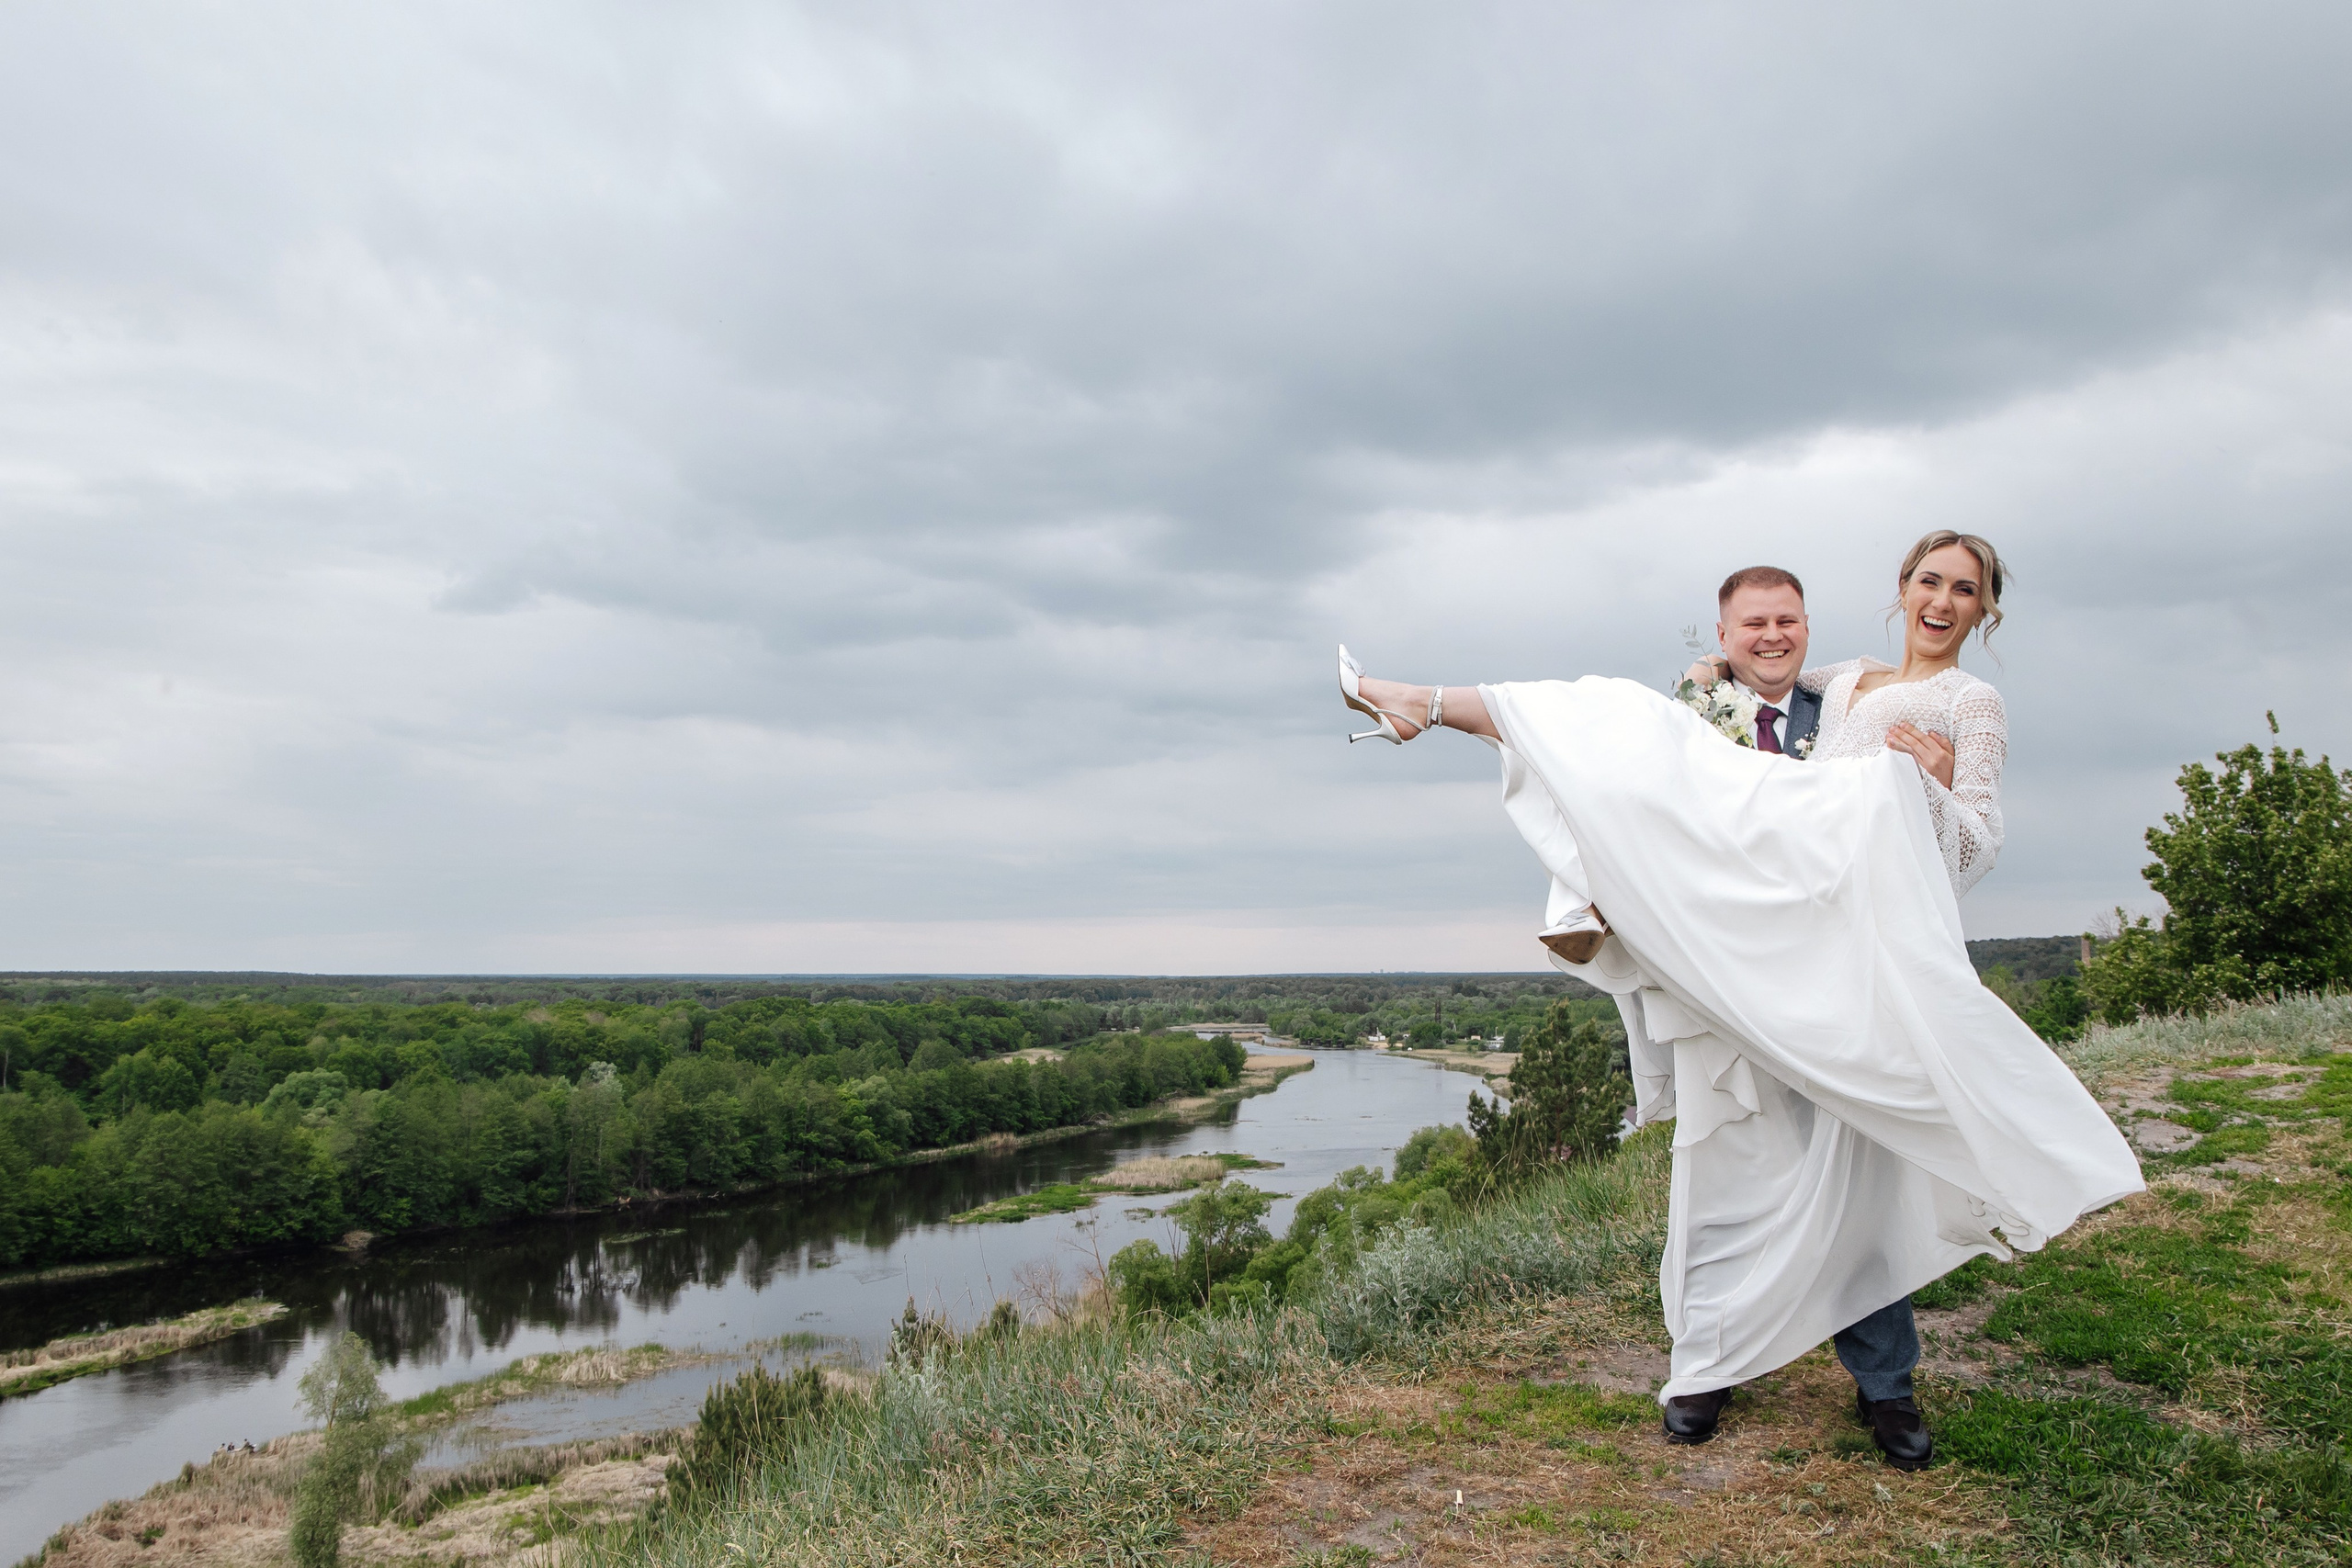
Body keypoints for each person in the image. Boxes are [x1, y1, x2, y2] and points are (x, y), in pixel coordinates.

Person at [1335, 530, 2141, 1471]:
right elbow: (1740, 680)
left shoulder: (1972, 702)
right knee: (1722, 1162)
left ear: (1983, 608)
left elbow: (1973, 847)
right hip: (1762, 949)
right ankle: (1707, 1364)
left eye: (1964, 590)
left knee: (1860, 1168)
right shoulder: (1842, 682)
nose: (1942, 599)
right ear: (1901, 588)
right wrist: (1712, 663)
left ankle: (1887, 1389)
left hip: (1853, 961)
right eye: (1930, 580)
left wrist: (1926, 783)